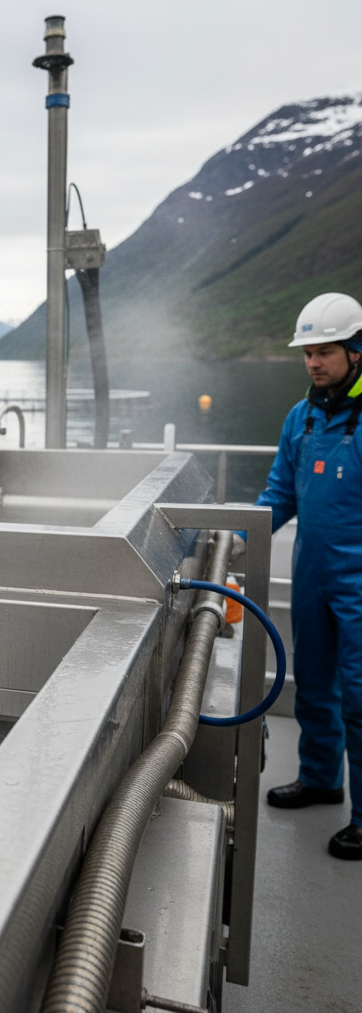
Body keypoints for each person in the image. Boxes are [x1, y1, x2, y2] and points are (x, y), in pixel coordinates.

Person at [238, 292, 362, 860]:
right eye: (308, 352)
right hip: (312, 571)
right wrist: (234, 540)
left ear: (356, 352)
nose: (314, 362)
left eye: (326, 351)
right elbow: (279, 495)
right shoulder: (302, 416)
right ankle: (320, 778)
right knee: (313, 683)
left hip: (358, 580)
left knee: (359, 697)